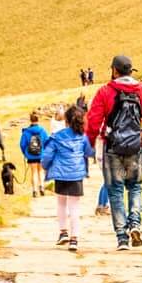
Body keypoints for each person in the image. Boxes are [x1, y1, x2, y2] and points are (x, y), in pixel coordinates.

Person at [86, 55, 142, 251]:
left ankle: (122, 238)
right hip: (136, 147)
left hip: (112, 147)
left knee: (115, 191)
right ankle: (135, 224)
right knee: (135, 187)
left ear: (114, 70)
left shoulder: (105, 91)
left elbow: (93, 122)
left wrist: (88, 145)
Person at [40, 105, 94, 254]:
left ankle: (63, 232)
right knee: (74, 207)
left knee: (61, 203)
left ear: (66, 120)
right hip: (76, 175)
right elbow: (89, 152)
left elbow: (46, 157)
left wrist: (45, 166)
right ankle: (74, 239)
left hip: (61, 174)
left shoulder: (57, 137)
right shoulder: (82, 137)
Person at [19, 111, 49, 198]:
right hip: (41, 154)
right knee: (41, 171)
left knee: (34, 172)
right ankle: (42, 187)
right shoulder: (42, 130)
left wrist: (25, 153)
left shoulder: (26, 132)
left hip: (31, 155)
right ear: (38, 119)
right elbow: (47, 142)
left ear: (30, 120)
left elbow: (22, 144)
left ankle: (35, 191)